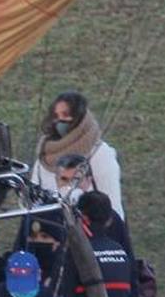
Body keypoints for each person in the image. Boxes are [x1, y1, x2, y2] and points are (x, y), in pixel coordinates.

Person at [56, 191, 139, 297]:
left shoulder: (76, 253)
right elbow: (132, 286)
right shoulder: (120, 252)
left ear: (82, 218)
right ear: (109, 221)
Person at [29, 92, 125, 220]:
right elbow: (33, 195)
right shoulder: (45, 152)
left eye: (65, 115)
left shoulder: (99, 153)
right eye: (56, 116)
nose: (59, 121)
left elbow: (113, 205)